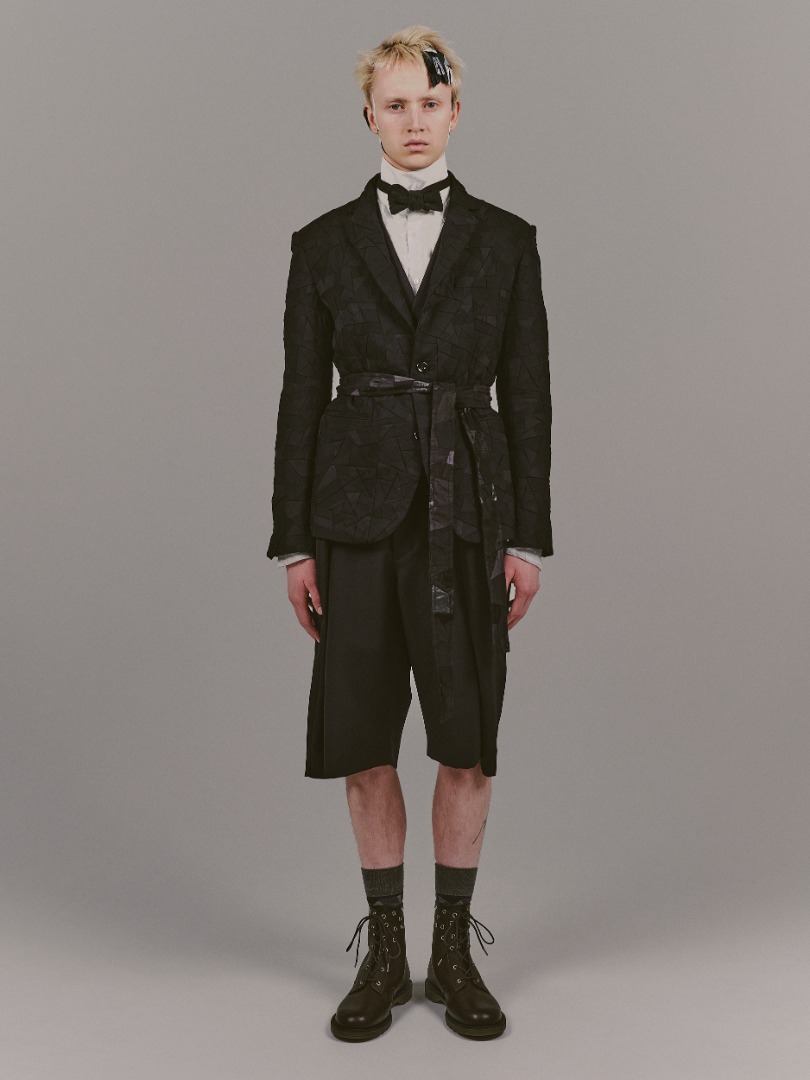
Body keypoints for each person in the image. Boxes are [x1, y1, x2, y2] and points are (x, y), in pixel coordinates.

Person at [266, 25, 552, 1042]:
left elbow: (529, 395)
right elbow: (302, 396)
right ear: (369, 117)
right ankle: (385, 957)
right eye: (396, 105)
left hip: (469, 514)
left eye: (429, 103)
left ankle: (452, 954)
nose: (414, 121)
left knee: (467, 743)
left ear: (456, 112)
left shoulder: (508, 240)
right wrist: (294, 542)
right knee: (362, 741)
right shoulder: (321, 244)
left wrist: (529, 538)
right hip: (352, 517)